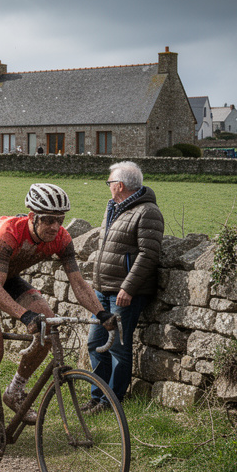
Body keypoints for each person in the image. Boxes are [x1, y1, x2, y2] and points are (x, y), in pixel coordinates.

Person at [0, 183, 115, 461]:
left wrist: (102, 314)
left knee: (48, 327)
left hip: (8, 276)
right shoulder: (9, 233)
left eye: (60, 220)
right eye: (49, 220)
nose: (55, 226)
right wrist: (25, 315)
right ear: (32, 217)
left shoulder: (62, 238)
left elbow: (78, 284)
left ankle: (15, 390)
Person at [86, 161, 164, 411]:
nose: (108, 187)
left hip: (124, 293)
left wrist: (128, 288)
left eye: (109, 183)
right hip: (102, 290)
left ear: (119, 185)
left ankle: (112, 400)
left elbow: (148, 254)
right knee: (95, 343)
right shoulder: (114, 208)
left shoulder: (147, 211)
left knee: (118, 347)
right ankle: (97, 395)